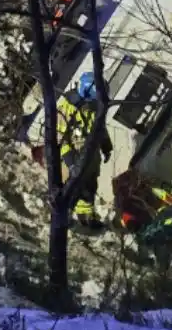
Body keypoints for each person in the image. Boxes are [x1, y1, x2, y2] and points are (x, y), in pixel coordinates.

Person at [28, 72, 113, 232]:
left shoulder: (94, 106)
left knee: (89, 188)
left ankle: (85, 218)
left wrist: (106, 146)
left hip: (91, 156)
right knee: (70, 189)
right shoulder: (66, 110)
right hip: (72, 157)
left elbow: (100, 127)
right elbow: (61, 140)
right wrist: (71, 161)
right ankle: (61, 219)